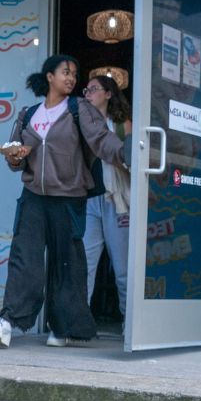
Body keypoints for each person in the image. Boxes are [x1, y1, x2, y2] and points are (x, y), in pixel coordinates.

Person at [0, 55, 129, 348]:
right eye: (66, 72)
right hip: (33, 198)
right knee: (24, 258)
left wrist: (129, 154)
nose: (72, 78)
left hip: (69, 197)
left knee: (68, 263)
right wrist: (14, 156)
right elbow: (15, 158)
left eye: (74, 74)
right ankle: (9, 321)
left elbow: (102, 139)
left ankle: (63, 327)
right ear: (49, 76)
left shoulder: (79, 109)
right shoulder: (28, 114)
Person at [80, 75, 133, 329]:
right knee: (84, 265)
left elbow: (134, 160)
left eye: (94, 89)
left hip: (117, 200)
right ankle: (76, 321)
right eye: (86, 90)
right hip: (89, 199)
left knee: (122, 267)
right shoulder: (78, 123)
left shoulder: (123, 125)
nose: (88, 94)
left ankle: (129, 322)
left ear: (109, 94)